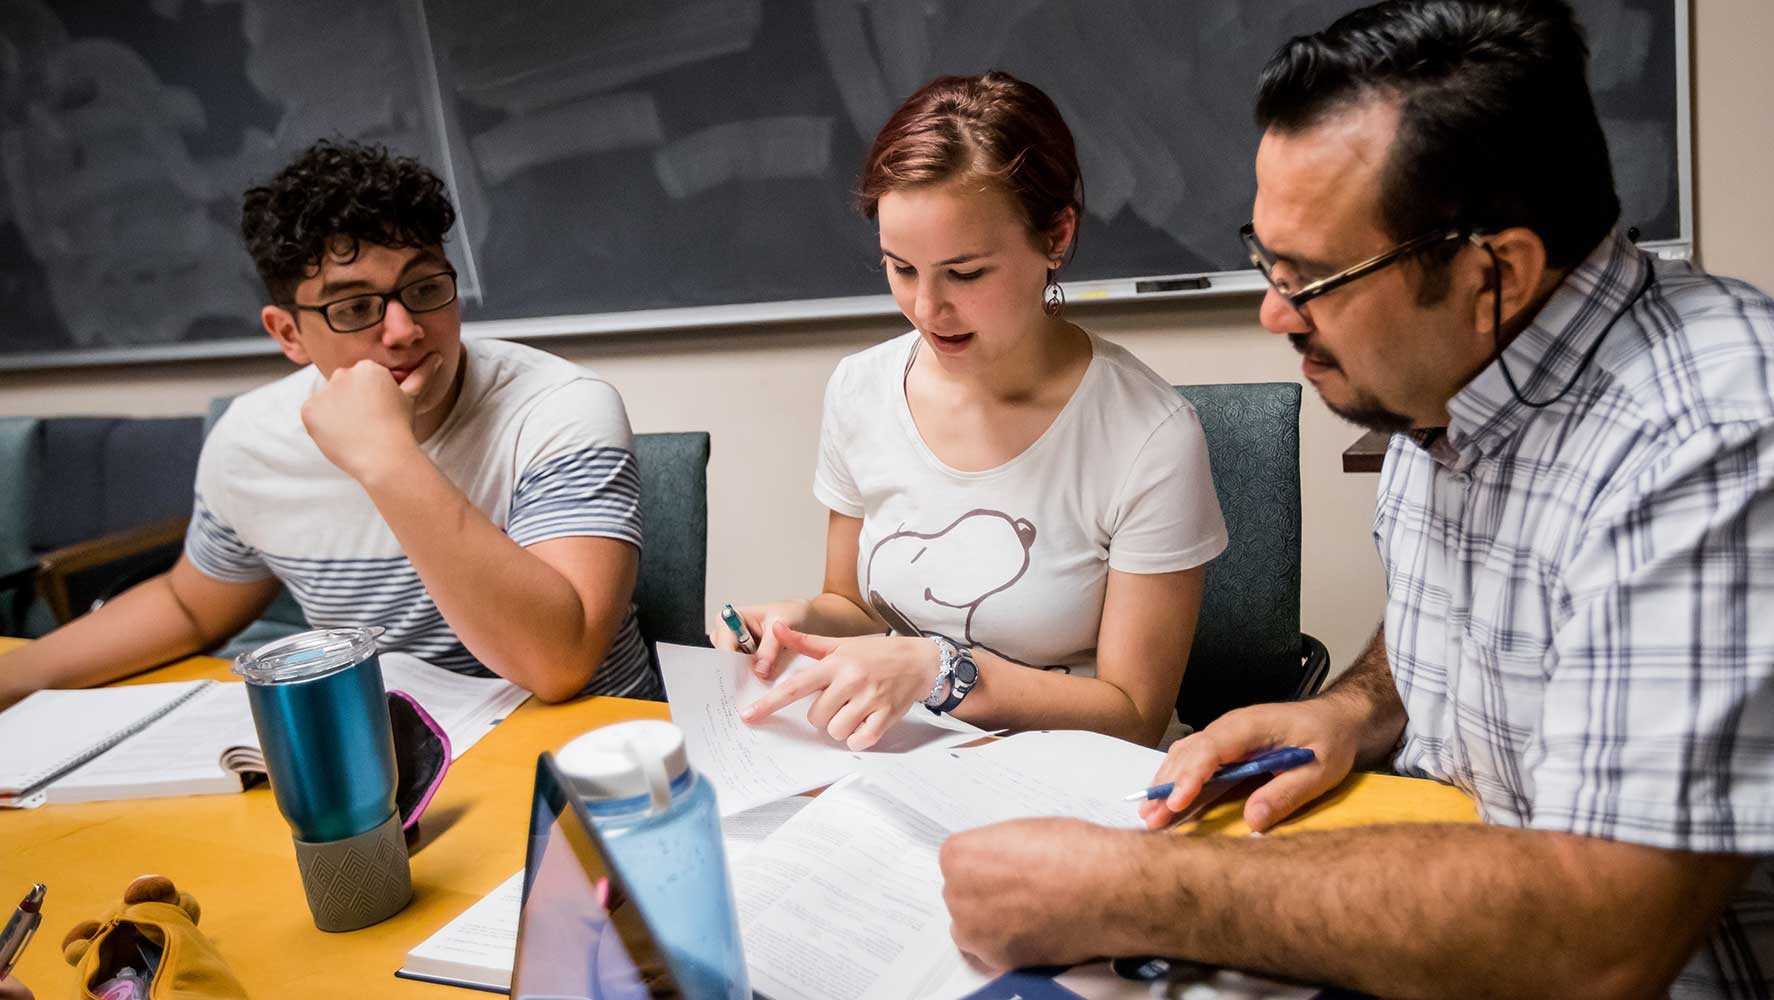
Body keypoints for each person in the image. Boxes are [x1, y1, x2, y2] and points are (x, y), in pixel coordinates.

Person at [938, 2, 1774, 996]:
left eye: (1312, 277)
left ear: (1493, 270)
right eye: (1266, 258)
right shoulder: (1445, 371)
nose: (1275, 310)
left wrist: (1135, 888)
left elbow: (1604, 933)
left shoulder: (1734, 434)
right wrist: (1354, 713)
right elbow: (1475, 620)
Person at [0, 140, 658, 707]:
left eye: (426, 288)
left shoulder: (559, 406)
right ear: (288, 332)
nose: (403, 331)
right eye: (355, 307)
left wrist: (387, 458)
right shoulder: (252, 439)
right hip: (400, 756)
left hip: (591, 753)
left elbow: (557, 663)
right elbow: (191, 605)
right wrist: (24, 671)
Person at [712, 72, 1228, 749]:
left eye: (966, 273)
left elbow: (1134, 714)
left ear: (1056, 238)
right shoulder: (860, 390)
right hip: (905, 762)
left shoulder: (1147, 436)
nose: (928, 310)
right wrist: (787, 622)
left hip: (1074, 785)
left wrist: (940, 671)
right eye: (900, 269)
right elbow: (855, 609)